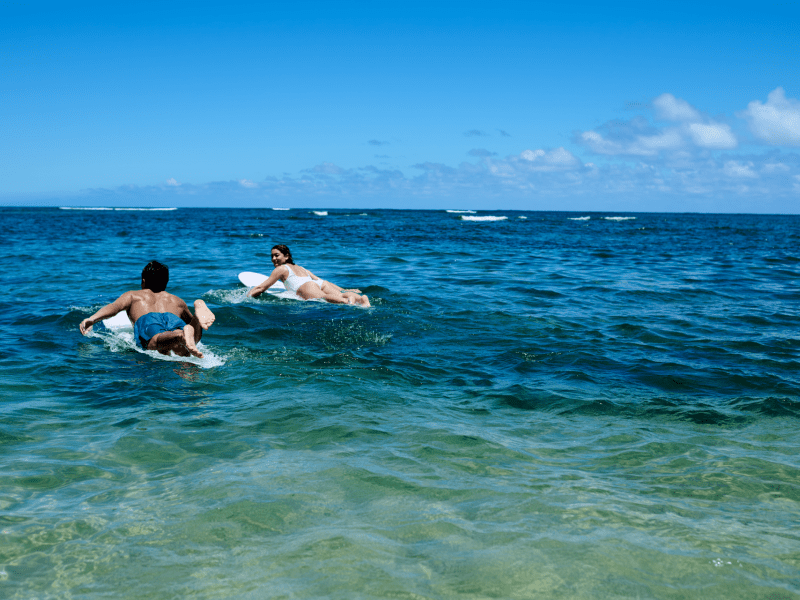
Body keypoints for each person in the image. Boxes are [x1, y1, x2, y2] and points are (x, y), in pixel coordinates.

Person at [79, 260, 216, 358]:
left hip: (149, 319)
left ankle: (180, 335)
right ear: (166, 282)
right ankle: (196, 312)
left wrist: (91, 319)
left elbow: (114, 308)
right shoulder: (176, 300)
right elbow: (189, 323)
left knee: (154, 342)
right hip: (174, 319)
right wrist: (194, 323)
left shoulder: (134, 295)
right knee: (186, 349)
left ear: (143, 281)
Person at [247, 244, 370, 307]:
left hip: (305, 287)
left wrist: (247, 297)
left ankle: (348, 302)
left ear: (286, 256)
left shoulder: (281, 269)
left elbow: (262, 288)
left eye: (277, 255)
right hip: (316, 284)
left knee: (324, 298)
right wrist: (344, 289)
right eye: (272, 256)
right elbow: (321, 281)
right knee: (337, 294)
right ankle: (362, 299)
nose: (273, 259)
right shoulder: (301, 268)